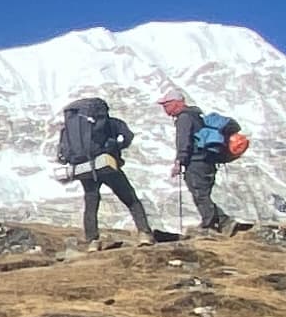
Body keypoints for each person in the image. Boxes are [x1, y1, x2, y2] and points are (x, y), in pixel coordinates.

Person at [56, 93, 152, 246]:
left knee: (91, 202)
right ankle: (144, 234)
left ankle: (92, 241)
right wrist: (118, 146)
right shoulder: (112, 123)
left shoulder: (69, 129)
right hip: (106, 164)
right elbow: (128, 136)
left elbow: (62, 153)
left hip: (84, 169)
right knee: (130, 198)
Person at [163, 93, 236, 234]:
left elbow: (183, 141)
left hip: (196, 162)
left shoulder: (183, 118)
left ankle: (214, 224)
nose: (165, 109)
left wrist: (180, 161)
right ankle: (218, 222)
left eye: (167, 105)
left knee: (199, 194)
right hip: (209, 161)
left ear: (177, 103)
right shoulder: (196, 115)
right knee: (203, 194)